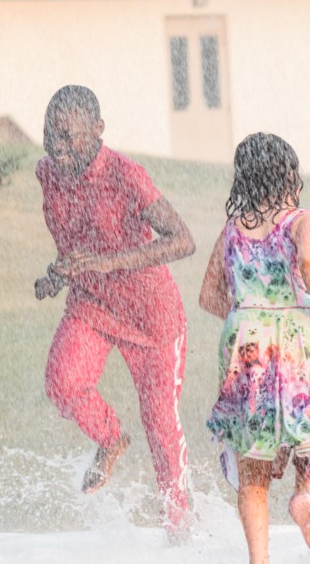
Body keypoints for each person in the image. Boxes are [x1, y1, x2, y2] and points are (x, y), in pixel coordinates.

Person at [33, 85, 196, 540]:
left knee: (161, 424)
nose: (57, 148)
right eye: (50, 135)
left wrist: (108, 262)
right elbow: (75, 237)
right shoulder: (48, 174)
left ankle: (179, 529)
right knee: (63, 382)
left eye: (68, 136)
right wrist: (56, 275)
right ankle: (109, 439)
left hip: (151, 316)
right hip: (92, 304)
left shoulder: (126, 174)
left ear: (99, 131)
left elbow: (183, 240)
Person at [199, 132, 310, 563]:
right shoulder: (306, 220)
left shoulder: (232, 229)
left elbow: (210, 296)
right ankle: (304, 494)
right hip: (297, 340)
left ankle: (259, 560)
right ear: (290, 174)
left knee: (253, 467)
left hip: (246, 344)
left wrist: (250, 315)